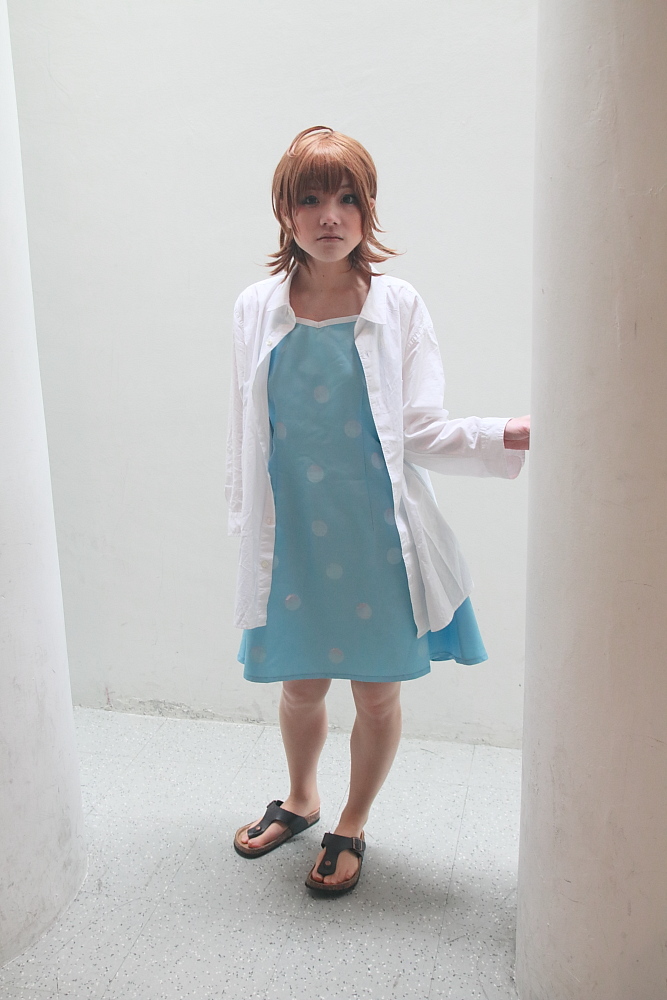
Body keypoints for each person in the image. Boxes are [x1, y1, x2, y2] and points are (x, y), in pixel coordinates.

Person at [227, 126, 529, 896]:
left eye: (347, 199)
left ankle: (352, 821)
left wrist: (500, 433)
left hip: (376, 539)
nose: (329, 215)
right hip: (293, 534)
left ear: (367, 210)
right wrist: (239, 516)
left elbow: (419, 430)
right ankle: (300, 799)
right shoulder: (254, 307)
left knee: (375, 690)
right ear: (285, 213)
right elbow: (244, 428)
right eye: (310, 199)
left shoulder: (398, 305)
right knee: (299, 685)